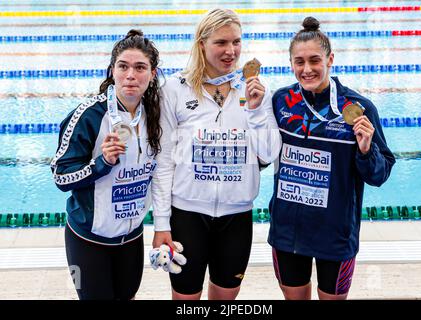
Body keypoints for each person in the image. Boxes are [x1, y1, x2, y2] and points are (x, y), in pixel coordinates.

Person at [151, 8, 282, 300]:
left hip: (236, 216)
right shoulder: (174, 89)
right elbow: (163, 162)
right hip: (187, 215)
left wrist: (257, 110)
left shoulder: (255, 90)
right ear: (202, 44)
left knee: (226, 297)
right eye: (221, 43)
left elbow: (270, 153)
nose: (231, 51)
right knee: (186, 299)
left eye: (236, 42)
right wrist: (161, 223)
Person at [269, 17, 396, 300]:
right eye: (299, 62)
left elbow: (379, 174)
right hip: (288, 231)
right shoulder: (280, 101)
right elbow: (262, 155)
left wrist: (366, 149)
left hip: (335, 234)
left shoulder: (358, 107)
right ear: (291, 63)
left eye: (315, 60)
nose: (307, 69)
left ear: (330, 59)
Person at [50, 29, 162, 300]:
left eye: (140, 67)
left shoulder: (158, 114)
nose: (131, 75)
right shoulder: (88, 116)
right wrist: (101, 163)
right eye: (123, 67)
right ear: (112, 71)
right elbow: (60, 176)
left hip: (132, 237)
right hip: (88, 240)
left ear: (153, 74)